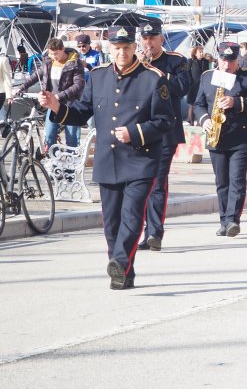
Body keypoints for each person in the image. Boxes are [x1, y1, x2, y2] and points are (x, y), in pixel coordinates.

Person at [38, 25, 173, 289]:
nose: (121, 53)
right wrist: (56, 106)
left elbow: (165, 121)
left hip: (140, 161)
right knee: (111, 223)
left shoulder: (154, 78)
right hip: (108, 160)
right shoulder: (98, 77)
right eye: (117, 48)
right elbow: (80, 112)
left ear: (135, 48)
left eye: (126, 48)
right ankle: (123, 272)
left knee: (132, 217)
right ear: (110, 49)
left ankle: (119, 262)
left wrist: (135, 132)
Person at [194, 41, 247, 237]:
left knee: (237, 180)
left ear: (237, 60)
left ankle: (233, 219)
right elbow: (199, 103)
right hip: (216, 136)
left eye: (231, 61)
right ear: (218, 59)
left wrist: (237, 102)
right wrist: (204, 120)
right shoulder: (208, 77)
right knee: (221, 181)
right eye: (224, 60)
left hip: (240, 137)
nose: (227, 65)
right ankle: (224, 220)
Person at [136, 21, 191, 252]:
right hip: (141, 131)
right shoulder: (134, 62)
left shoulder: (176, 61)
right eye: (145, 38)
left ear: (161, 39)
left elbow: (182, 88)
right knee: (142, 183)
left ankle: (154, 233)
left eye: (153, 38)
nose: (148, 42)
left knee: (158, 182)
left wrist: (157, 73)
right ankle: (146, 231)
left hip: (166, 131)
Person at [13, 37, 85, 151]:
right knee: (49, 136)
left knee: (72, 140)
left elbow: (79, 85)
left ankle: (71, 168)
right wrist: (21, 87)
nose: (53, 56)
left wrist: (58, 96)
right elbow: (35, 76)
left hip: (71, 105)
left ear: (63, 49)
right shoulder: (48, 61)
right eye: (51, 53)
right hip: (53, 104)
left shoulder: (75, 62)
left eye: (56, 53)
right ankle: (54, 163)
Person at [186, 44, 214, 124]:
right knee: (192, 104)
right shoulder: (190, 61)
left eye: (202, 52)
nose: (202, 53)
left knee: (201, 104)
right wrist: (190, 81)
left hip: (202, 85)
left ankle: (199, 123)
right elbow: (187, 72)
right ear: (195, 53)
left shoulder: (205, 61)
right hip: (193, 86)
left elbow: (207, 73)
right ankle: (190, 122)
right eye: (200, 52)